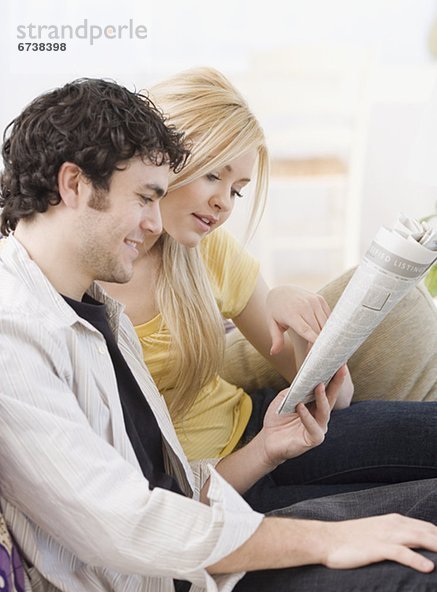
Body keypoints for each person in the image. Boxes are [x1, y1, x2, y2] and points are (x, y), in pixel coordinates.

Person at [1, 78, 437, 592]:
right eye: (144, 197)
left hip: (206, 527)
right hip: (168, 580)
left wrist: (269, 447)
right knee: (416, 567)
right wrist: (324, 539)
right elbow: (128, 524)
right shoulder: (16, 334)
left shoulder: (98, 309)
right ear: (73, 184)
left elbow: (174, 487)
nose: (152, 221)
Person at [103, 67, 437, 513]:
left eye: (237, 191)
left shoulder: (210, 253)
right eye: (213, 177)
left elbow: (337, 402)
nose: (223, 203)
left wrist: (308, 338)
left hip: (269, 425)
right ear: (162, 157)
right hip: (225, 483)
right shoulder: (80, 286)